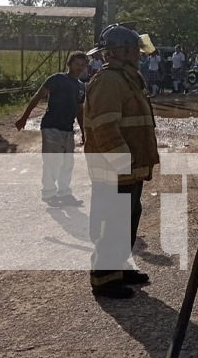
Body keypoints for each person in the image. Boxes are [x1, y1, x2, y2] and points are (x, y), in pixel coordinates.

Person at [84, 24, 159, 299]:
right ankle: (104, 277)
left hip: (128, 169)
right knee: (112, 221)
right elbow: (105, 127)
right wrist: (121, 164)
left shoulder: (127, 78)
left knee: (127, 217)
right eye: (133, 51)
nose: (139, 55)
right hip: (115, 170)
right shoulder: (108, 81)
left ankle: (118, 266)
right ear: (118, 52)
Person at [15, 52, 88, 206]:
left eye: (82, 65)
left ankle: (65, 193)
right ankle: (49, 194)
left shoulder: (81, 86)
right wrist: (24, 117)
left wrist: (83, 132)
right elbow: (37, 96)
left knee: (67, 163)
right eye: (76, 64)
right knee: (52, 161)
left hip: (68, 129)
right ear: (69, 64)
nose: (79, 68)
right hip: (51, 126)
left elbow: (80, 111)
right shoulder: (57, 79)